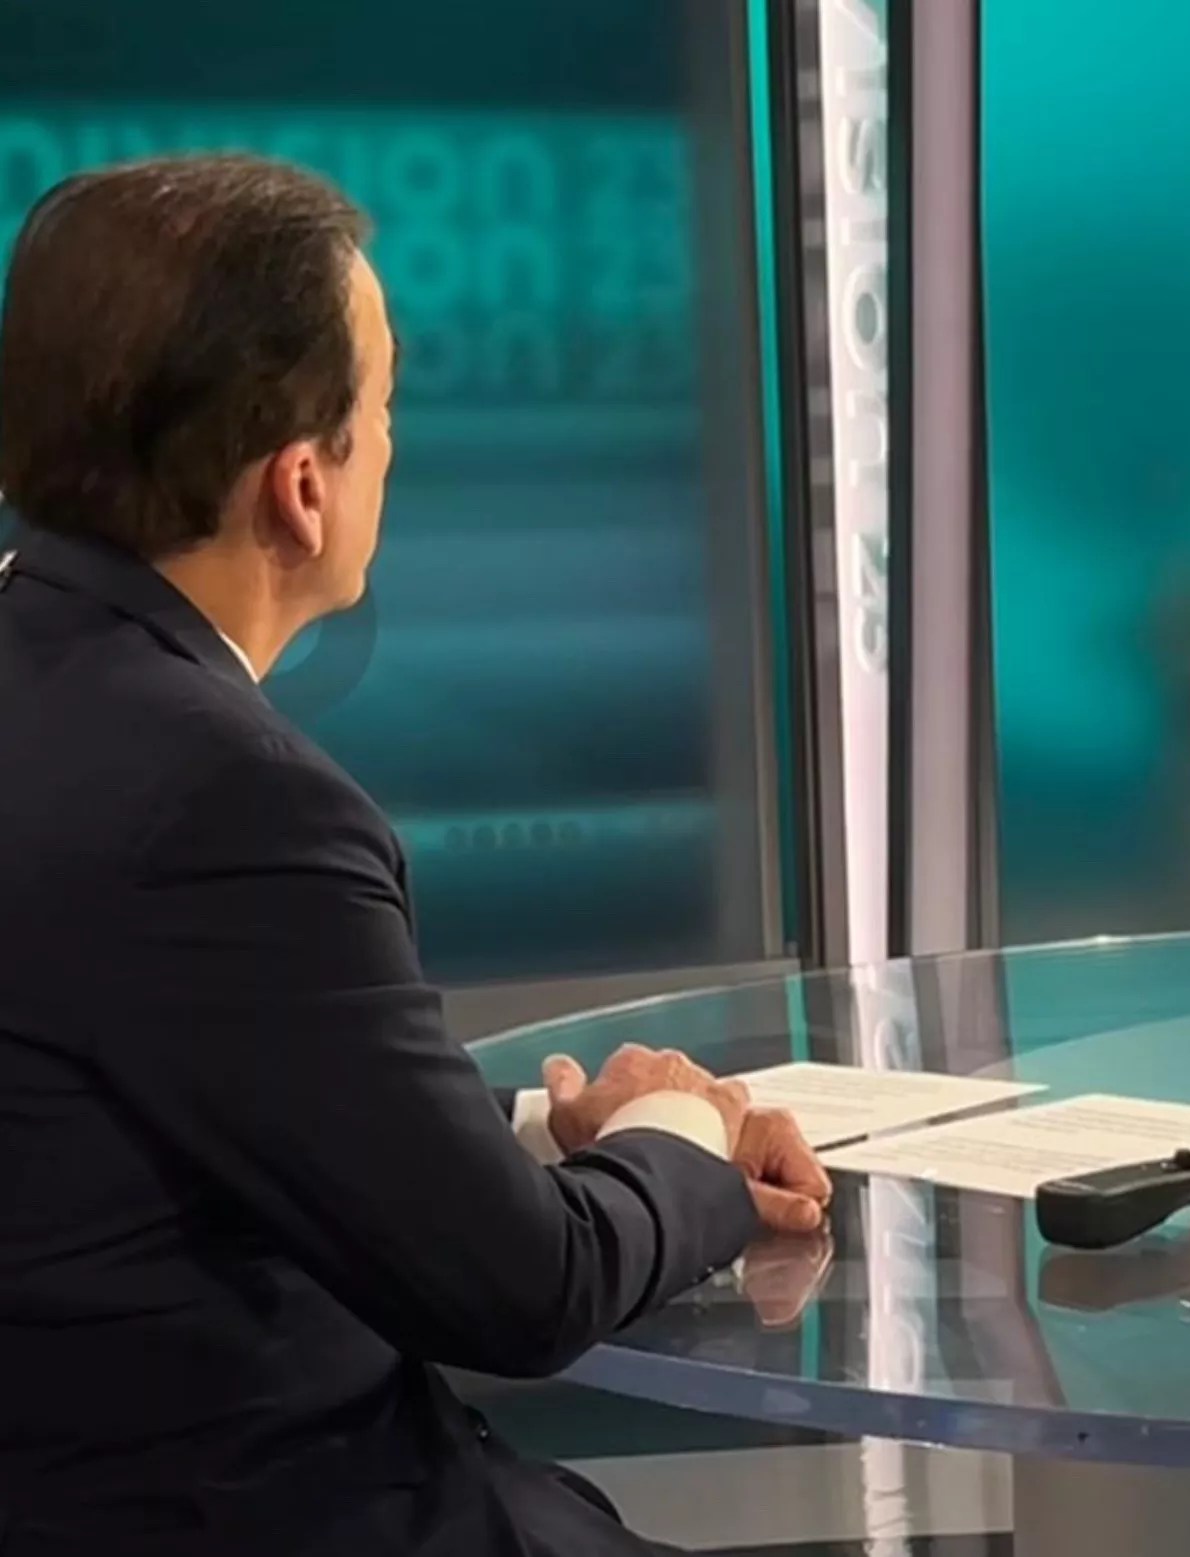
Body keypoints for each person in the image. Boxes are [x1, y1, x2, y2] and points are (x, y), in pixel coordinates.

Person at [0, 154, 828, 1556]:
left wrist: (520, 1138)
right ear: (303, 486)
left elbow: (174, 1090)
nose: (400, 445)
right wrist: (678, 1138)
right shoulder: (229, 800)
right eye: (387, 408)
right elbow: (522, 1292)